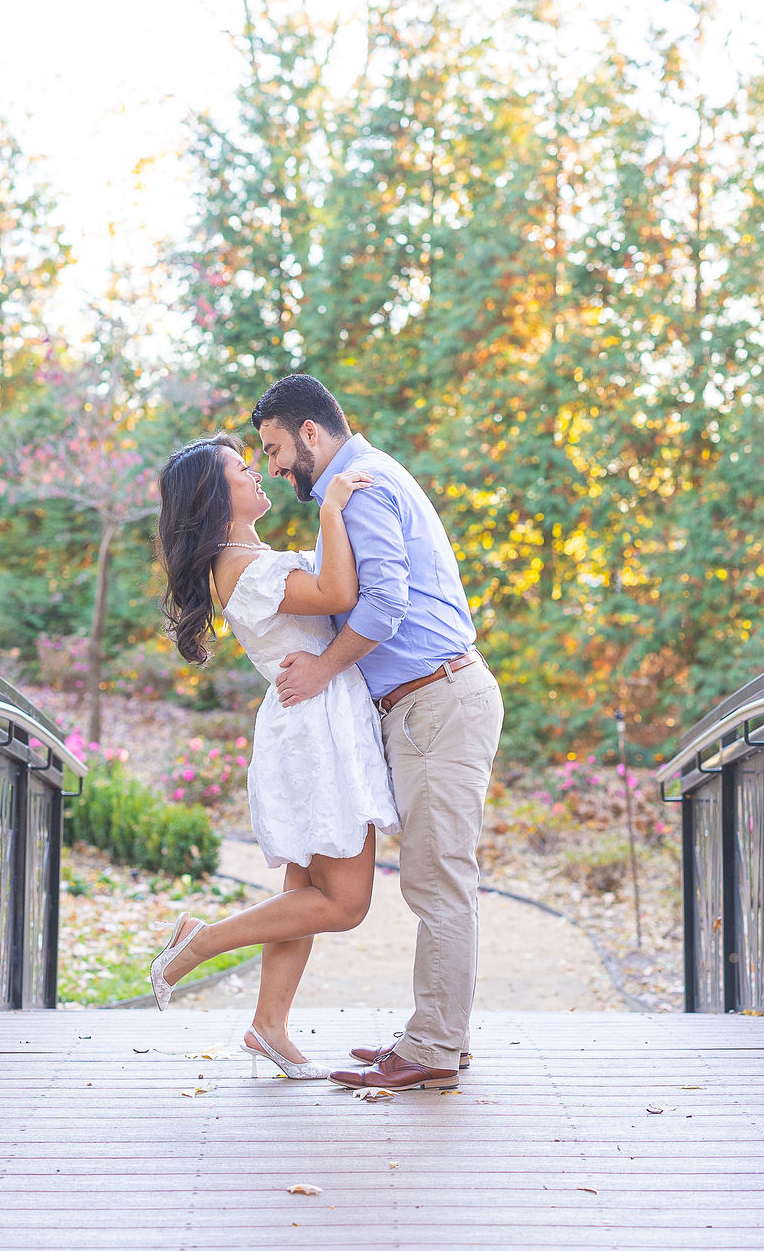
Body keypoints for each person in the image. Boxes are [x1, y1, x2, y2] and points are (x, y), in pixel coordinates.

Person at [252, 374, 504, 1093]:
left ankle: (434, 1047)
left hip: (435, 698)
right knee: (436, 875)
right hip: (429, 700)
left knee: (438, 879)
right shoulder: (360, 482)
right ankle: (439, 1036)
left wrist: (323, 669)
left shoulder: (360, 487)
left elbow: (385, 603)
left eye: (274, 449)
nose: (274, 466)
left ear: (309, 433)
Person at [149, 432, 396, 1080]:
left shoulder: (247, 558)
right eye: (241, 467)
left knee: (306, 890)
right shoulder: (241, 568)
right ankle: (200, 941)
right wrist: (331, 507)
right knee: (345, 903)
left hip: (314, 718)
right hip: (314, 729)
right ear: (214, 494)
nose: (257, 471)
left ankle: (269, 1025)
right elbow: (339, 595)